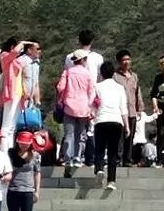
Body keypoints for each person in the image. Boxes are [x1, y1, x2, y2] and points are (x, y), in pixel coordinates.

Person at [91, 52, 130, 193]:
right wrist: (127, 126)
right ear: (113, 73)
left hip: (101, 120)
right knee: (113, 152)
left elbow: (93, 105)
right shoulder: (120, 88)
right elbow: (123, 109)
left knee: (100, 149)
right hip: (116, 121)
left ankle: (99, 169)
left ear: (101, 74)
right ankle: (111, 181)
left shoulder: (97, 86)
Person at [54, 49, 96, 178]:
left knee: (69, 134)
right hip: (83, 107)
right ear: (83, 60)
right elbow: (92, 92)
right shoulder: (88, 74)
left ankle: (68, 158)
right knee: (81, 134)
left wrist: (61, 99)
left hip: (69, 106)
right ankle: (78, 157)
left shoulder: (67, 72)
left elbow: (60, 87)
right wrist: (90, 106)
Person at [6, 128, 43, 211]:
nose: (24, 145)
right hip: (13, 190)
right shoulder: (11, 154)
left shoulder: (35, 155)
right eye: (22, 143)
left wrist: (37, 191)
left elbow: (37, 173)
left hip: (27, 191)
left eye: (26, 143)